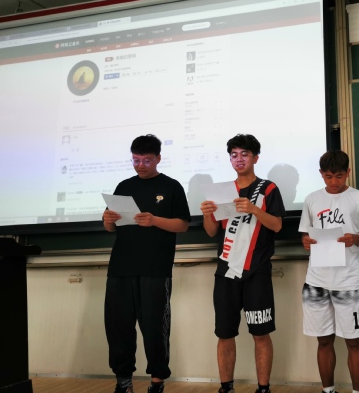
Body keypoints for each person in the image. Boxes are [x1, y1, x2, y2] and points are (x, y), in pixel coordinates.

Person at [102, 134, 191, 393]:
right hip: (121, 268)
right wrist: (107, 219)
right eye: (136, 160)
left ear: (158, 159)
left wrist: (154, 220)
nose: (140, 165)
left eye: (147, 160)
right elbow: (111, 227)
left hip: (155, 268)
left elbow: (183, 224)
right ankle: (123, 382)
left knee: (154, 327)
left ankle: (157, 382)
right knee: (118, 327)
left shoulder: (171, 187)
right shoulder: (124, 185)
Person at [200, 134, 285, 393]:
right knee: (225, 333)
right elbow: (212, 232)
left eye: (244, 154)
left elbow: (277, 225)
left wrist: (254, 209)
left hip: (256, 271)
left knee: (261, 333)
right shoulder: (222, 191)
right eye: (234, 155)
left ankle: (263, 388)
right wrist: (207, 215)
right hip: (226, 270)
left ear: (255, 158)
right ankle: (226, 387)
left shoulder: (268, 189)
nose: (239, 159)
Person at [299, 150, 359, 393]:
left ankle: (357, 391)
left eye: (339, 176)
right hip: (316, 280)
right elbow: (305, 234)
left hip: (348, 281)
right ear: (321, 174)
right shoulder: (311, 199)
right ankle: (328, 390)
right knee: (323, 340)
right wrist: (306, 241)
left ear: (347, 173)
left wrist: (355, 239)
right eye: (328, 176)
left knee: (354, 341)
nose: (334, 181)